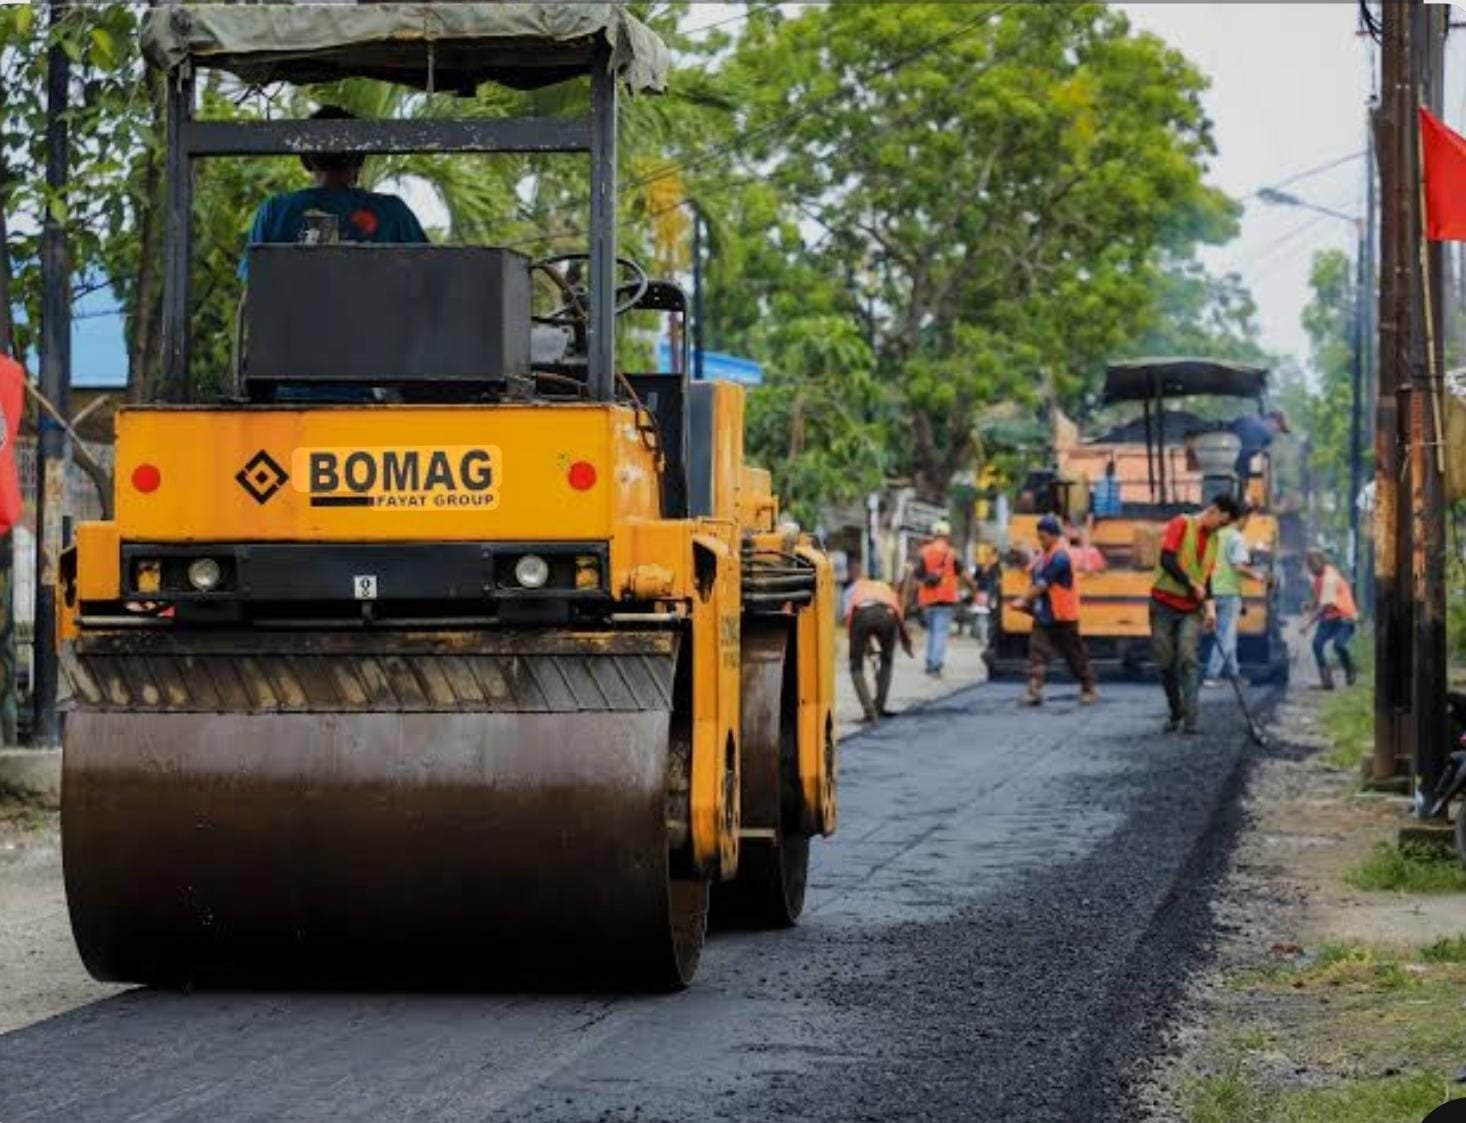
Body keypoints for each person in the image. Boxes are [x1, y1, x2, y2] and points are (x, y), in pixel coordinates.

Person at [245, 106, 428, 255]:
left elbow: (254, 283)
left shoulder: (275, 212)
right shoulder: (394, 212)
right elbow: (430, 275)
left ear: (305, 160)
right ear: (361, 158)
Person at [1149, 493, 1244, 733]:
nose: (1220, 529)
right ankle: (1176, 712)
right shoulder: (1181, 524)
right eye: (1221, 523)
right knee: (1165, 661)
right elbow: (1167, 559)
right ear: (1213, 511)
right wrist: (1191, 584)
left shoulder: (1214, 540)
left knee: (1188, 658)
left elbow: (1207, 577)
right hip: (1163, 604)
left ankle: (1191, 720)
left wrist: (1210, 610)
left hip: (1190, 609)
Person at [1011, 514, 1098, 707]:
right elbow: (1033, 572)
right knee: (1037, 653)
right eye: (1039, 537)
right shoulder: (1045, 555)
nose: (1040, 541)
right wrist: (1022, 555)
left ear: (1054, 535)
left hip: (1063, 617)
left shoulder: (1060, 557)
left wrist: (1024, 599)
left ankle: (1088, 688)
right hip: (1044, 615)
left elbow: (1043, 583)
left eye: (1043, 537)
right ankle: (1034, 691)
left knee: (1074, 655)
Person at [1202, 508, 1266, 686]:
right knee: (1225, 636)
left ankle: (1234, 673)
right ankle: (1211, 675)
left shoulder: (1214, 535)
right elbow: (1239, 567)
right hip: (1228, 592)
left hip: (1210, 591)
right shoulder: (1236, 538)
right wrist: (1258, 576)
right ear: (1241, 518)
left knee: (1229, 635)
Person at [846, 576, 914, 723]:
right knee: (887, 660)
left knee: (856, 666)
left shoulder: (857, 587)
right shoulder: (886, 589)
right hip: (887, 615)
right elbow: (898, 614)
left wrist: (859, 644)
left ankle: (870, 712)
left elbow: (850, 615)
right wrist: (906, 641)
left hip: (861, 614)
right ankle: (879, 706)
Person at [910, 519, 974, 677]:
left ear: (933, 535)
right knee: (940, 632)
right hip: (945, 598)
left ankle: (929, 661)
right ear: (947, 535)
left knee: (932, 631)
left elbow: (916, 575)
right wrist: (974, 588)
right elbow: (964, 575)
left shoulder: (924, 552)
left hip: (927, 599)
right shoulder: (952, 554)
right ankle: (935, 665)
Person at [1303, 548, 1358, 689]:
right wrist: (1310, 605)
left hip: (1344, 616)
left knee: (1339, 645)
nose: (1311, 568)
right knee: (1317, 644)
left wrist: (1307, 624)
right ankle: (1326, 680)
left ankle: (1350, 670)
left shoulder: (1329, 578)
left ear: (1321, 562)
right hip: (1330, 617)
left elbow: (1325, 606)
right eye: (1309, 564)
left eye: (1313, 564)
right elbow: (1319, 598)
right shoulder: (1318, 577)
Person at [1230, 410, 1289, 478]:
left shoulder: (1248, 419)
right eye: (1279, 429)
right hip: (1241, 464)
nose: (1277, 432)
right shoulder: (1269, 434)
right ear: (1274, 421)